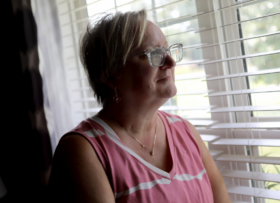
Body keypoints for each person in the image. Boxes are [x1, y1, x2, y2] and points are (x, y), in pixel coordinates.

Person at [48, 9, 231, 203]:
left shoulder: (185, 131)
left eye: (167, 50)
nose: (170, 62)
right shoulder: (83, 151)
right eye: (154, 53)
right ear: (111, 73)